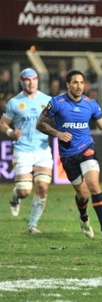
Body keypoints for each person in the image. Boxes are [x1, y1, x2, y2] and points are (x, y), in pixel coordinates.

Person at [36, 70, 102, 243]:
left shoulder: (91, 104)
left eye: (82, 82)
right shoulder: (56, 103)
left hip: (86, 148)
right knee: (82, 194)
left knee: (93, 185)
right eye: (75, 82)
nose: (79, 86)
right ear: (67, 84)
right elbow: (40, 124)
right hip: (68, 155)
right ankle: (83, 217)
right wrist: (57, 133)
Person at [0, 68, 52, 234]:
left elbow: (59, 118)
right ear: (22, 82)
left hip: (43, 149)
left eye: (34, 79)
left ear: (38, 80)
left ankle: (32, 225)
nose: (31, 82)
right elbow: (3, 123)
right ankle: (16, 196)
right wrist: (10, 132)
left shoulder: (48, 100)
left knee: (42, 186)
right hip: (22, 149)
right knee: (24, 191)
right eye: (27, 80)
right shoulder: (14, 103)